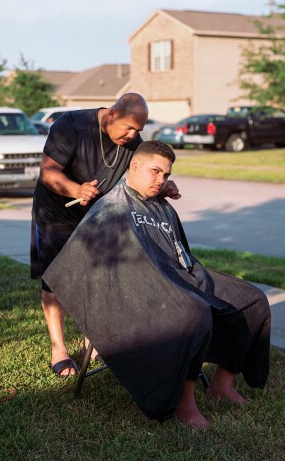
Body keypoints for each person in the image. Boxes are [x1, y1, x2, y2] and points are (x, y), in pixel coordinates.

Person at [42, 141, 271, 428]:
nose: (161, 180)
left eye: (166, 174)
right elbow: (88, 270)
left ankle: (222, 386)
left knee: (252, 299)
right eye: (155, 171)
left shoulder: (160, 205)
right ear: (134, 166)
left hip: (180, 276)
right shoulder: (112, 208)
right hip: (138, 291)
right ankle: (182, 404)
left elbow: (180, 254)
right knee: (193, 311)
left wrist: (184, 279)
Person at [31, 93, 180, 377]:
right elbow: (48, 173)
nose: (133, 135)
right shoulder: (70, 126)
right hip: (56, 214)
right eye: (129, 128)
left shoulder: (132, 141)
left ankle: (93, 341)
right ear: (112, 114)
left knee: (97, 277)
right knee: (55, 282)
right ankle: (58, 349)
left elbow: (141, 174)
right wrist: (75, 189)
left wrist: (163, 185)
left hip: (96, 217)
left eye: (139, 130)